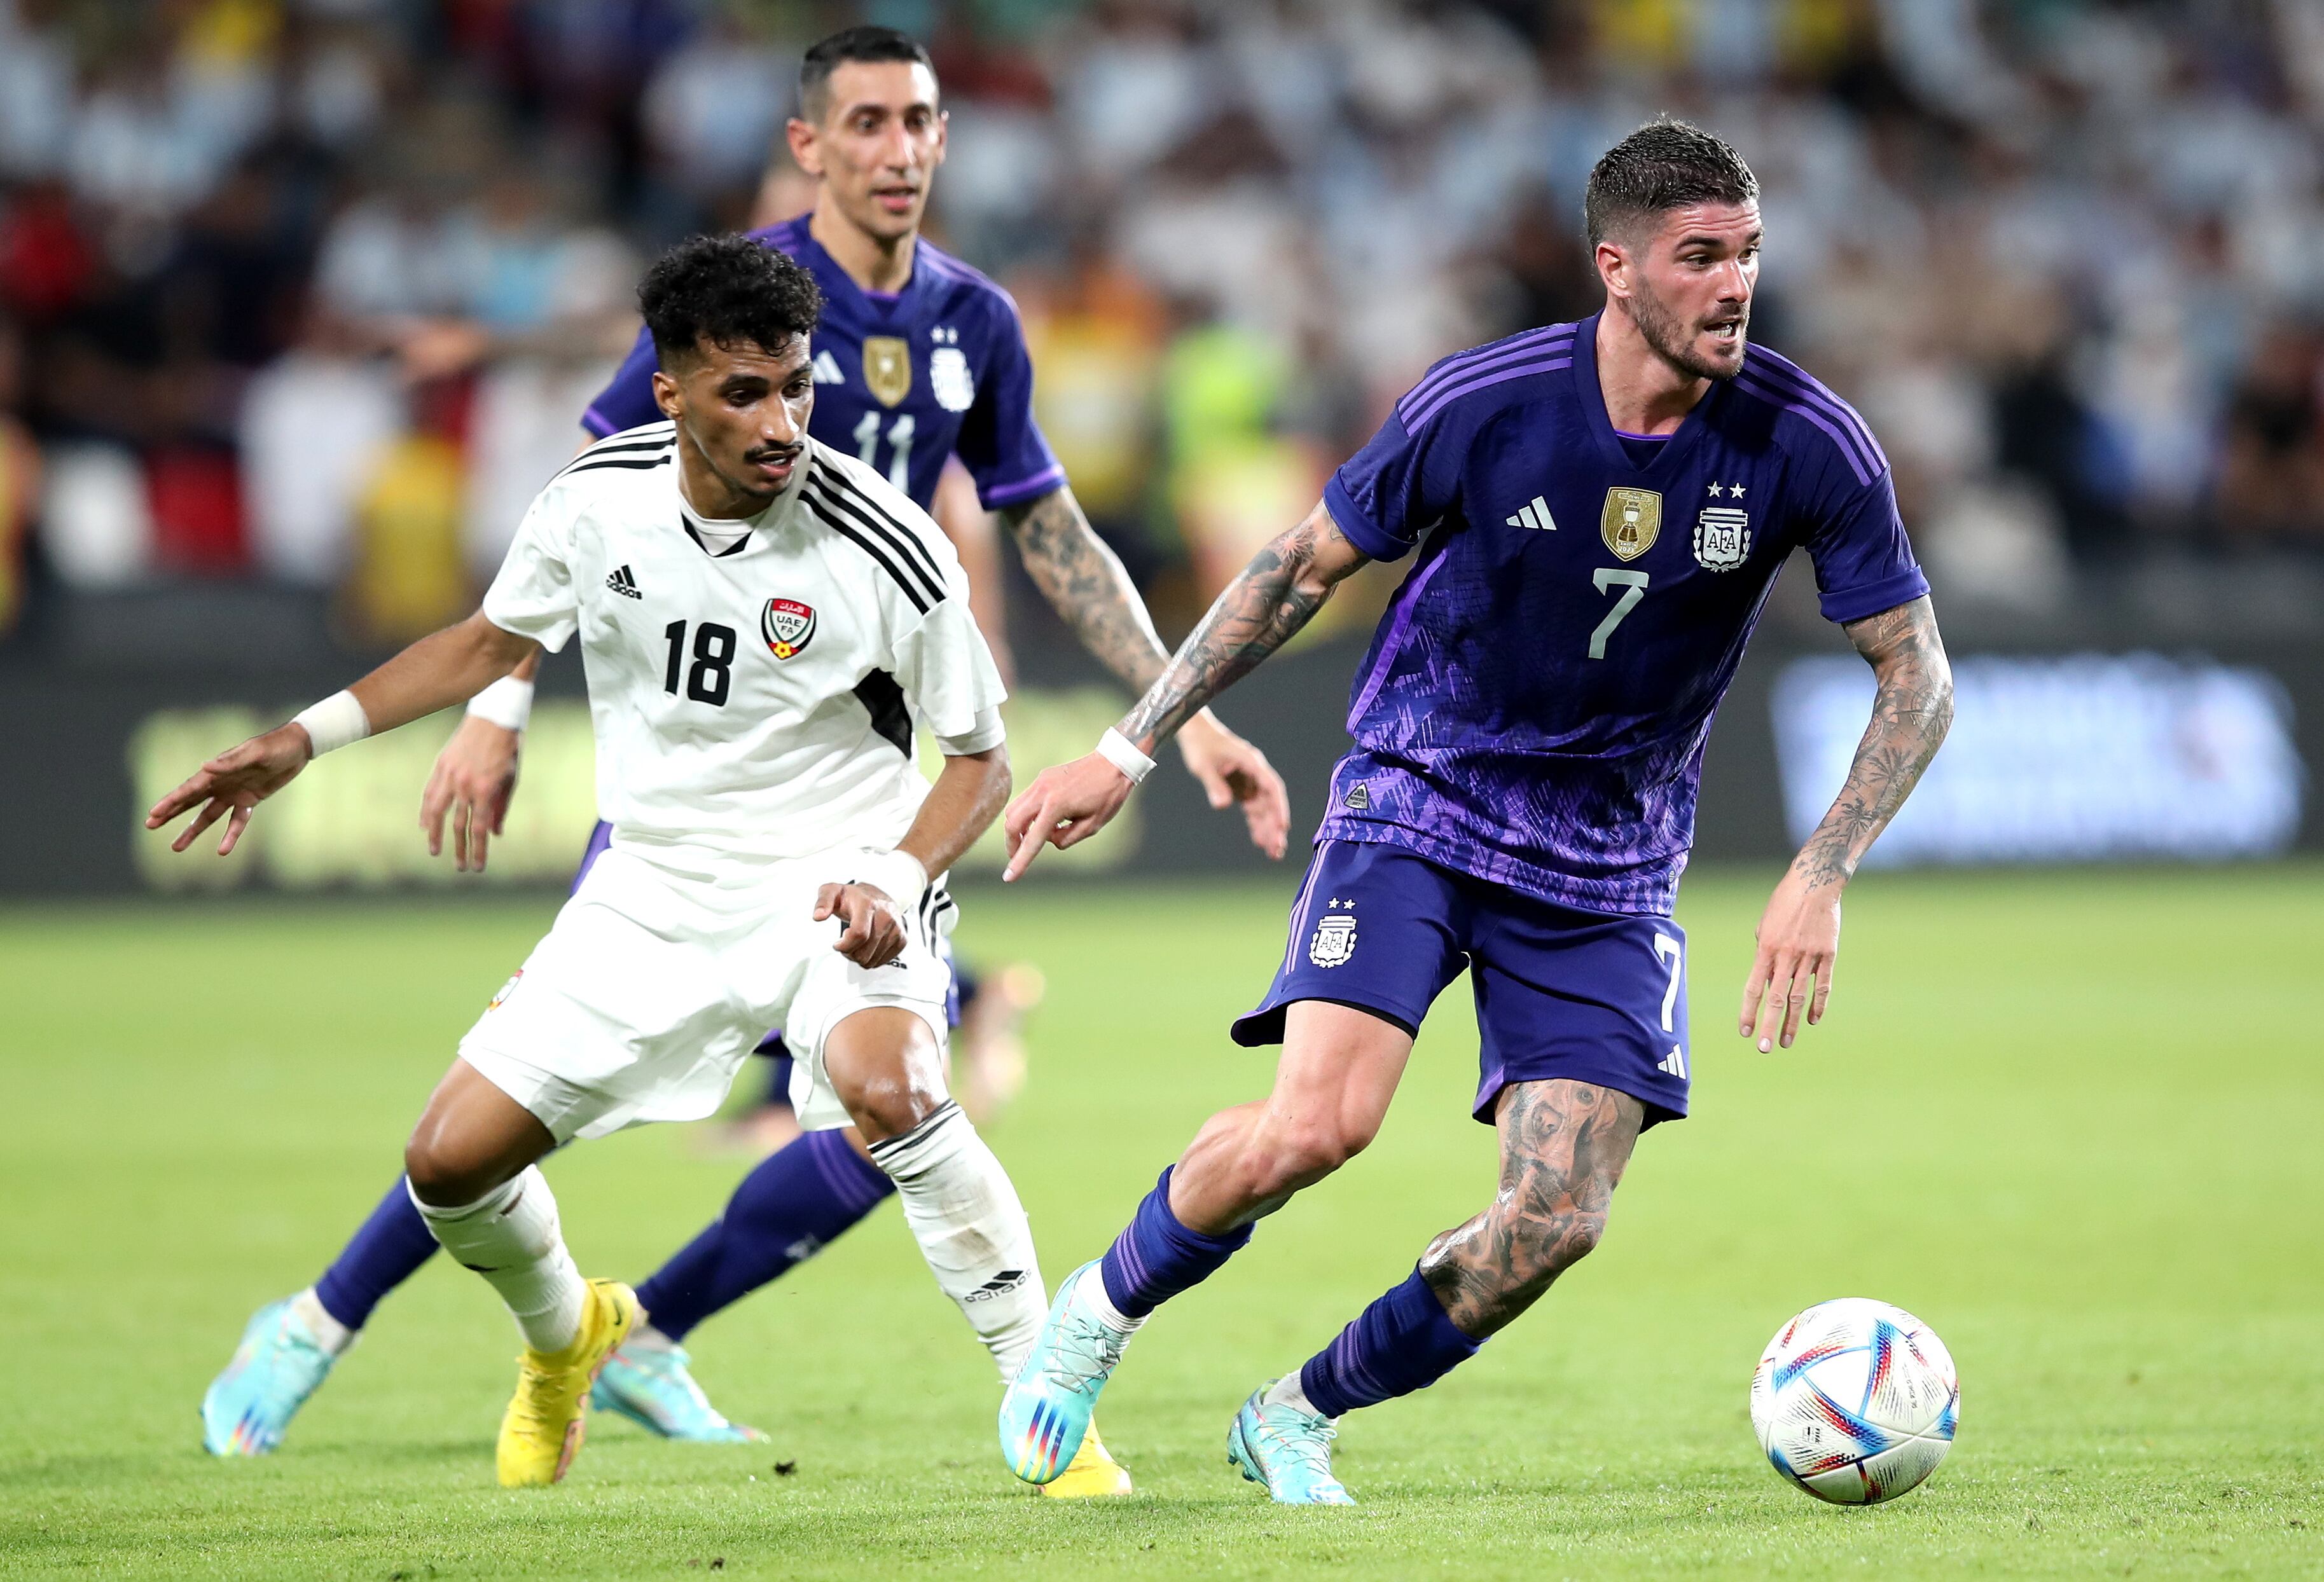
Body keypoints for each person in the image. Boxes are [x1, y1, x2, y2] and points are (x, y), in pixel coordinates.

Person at [197, 25, 1288, 1497]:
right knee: (482, 1128)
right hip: (689, 799)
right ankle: (340, 1313)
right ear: (811, 146)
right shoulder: (739, 303)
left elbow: (1048, 533)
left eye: (922, 121)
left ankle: (718, 1340)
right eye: (869, 122)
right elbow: (574, 519)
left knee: (889, 1092)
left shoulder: (974, 325)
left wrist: (1182, 711)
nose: (900, 149)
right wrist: (496, 708)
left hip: (873, 790)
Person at [992, 120, 1956, 1504]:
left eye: (1748, 252)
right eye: (1701, 257)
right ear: (1616, 269)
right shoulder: (1486, 402)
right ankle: (1093, 1317)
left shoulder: (1806, 441)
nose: (1735, 283)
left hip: (1612, 860)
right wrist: (1133, 747)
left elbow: (1916, 678)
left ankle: (1296, 1409)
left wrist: (1824, 868)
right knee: (1317, 1127)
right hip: (1422, 792)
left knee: (1558, 1216)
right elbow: (1296, 565)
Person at [155, 235, 1079, 1490]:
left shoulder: (886, 538)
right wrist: (297, 741)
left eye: (797, 386)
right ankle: (573, 1336)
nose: (782, 420)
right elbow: (486, 642)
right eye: (745, 392)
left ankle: (1051, 1405)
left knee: (898, 1087)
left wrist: (899, 878)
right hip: (652, 883)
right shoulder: (596, 500)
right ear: (671, 392)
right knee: (448, 1159)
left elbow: (981, 760)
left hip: (834, 876)